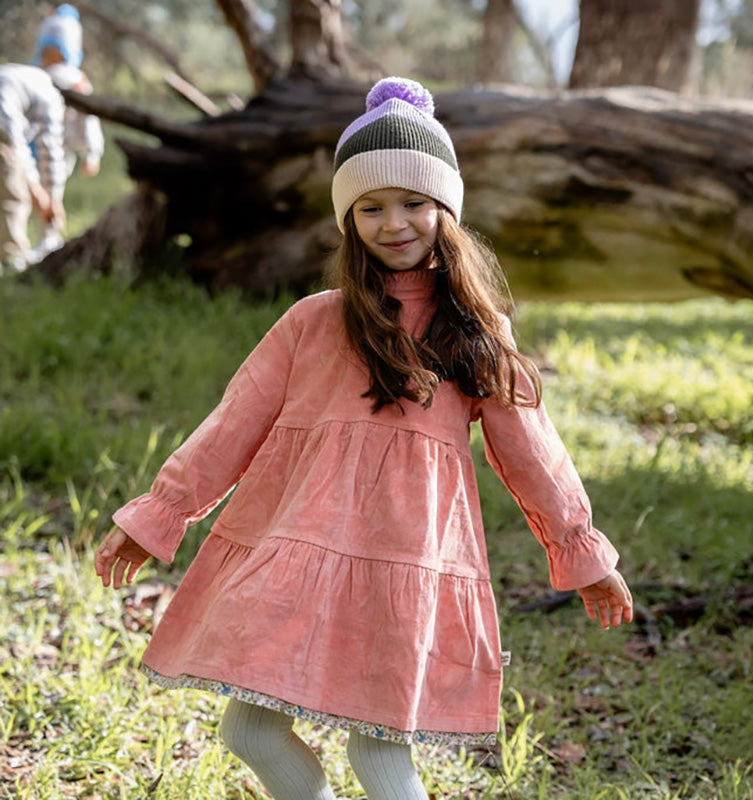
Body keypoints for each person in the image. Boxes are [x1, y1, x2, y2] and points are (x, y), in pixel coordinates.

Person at [95, 77, 634, 800]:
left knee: (380, 759)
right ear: (349, 220)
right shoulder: (313, 322)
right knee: (249, 732)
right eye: (371, 208)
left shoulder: (474, 332)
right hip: (300, 549)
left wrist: (579, 548)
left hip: (402, 564)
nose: (394, 223)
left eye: (414, 203)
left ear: (445, 209)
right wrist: (158, 516)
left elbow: (532, 449)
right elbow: (231, 426)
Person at [28, 3, 104, 263]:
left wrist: (92, 152)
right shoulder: (43, 76)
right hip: (39, 145)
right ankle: (41, 239)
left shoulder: (74, 82)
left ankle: (48, 240)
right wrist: (91, 152)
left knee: (48, 191)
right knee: (42, 191)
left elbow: (87, 119)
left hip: (56, 148)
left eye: (53, 50)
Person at [0, 63, 66, 273]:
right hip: (3, 128)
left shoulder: (28, 79)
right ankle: (12, 259)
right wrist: (47, 194)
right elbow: (49, 149)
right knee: (14, 196)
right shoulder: (51, 97)